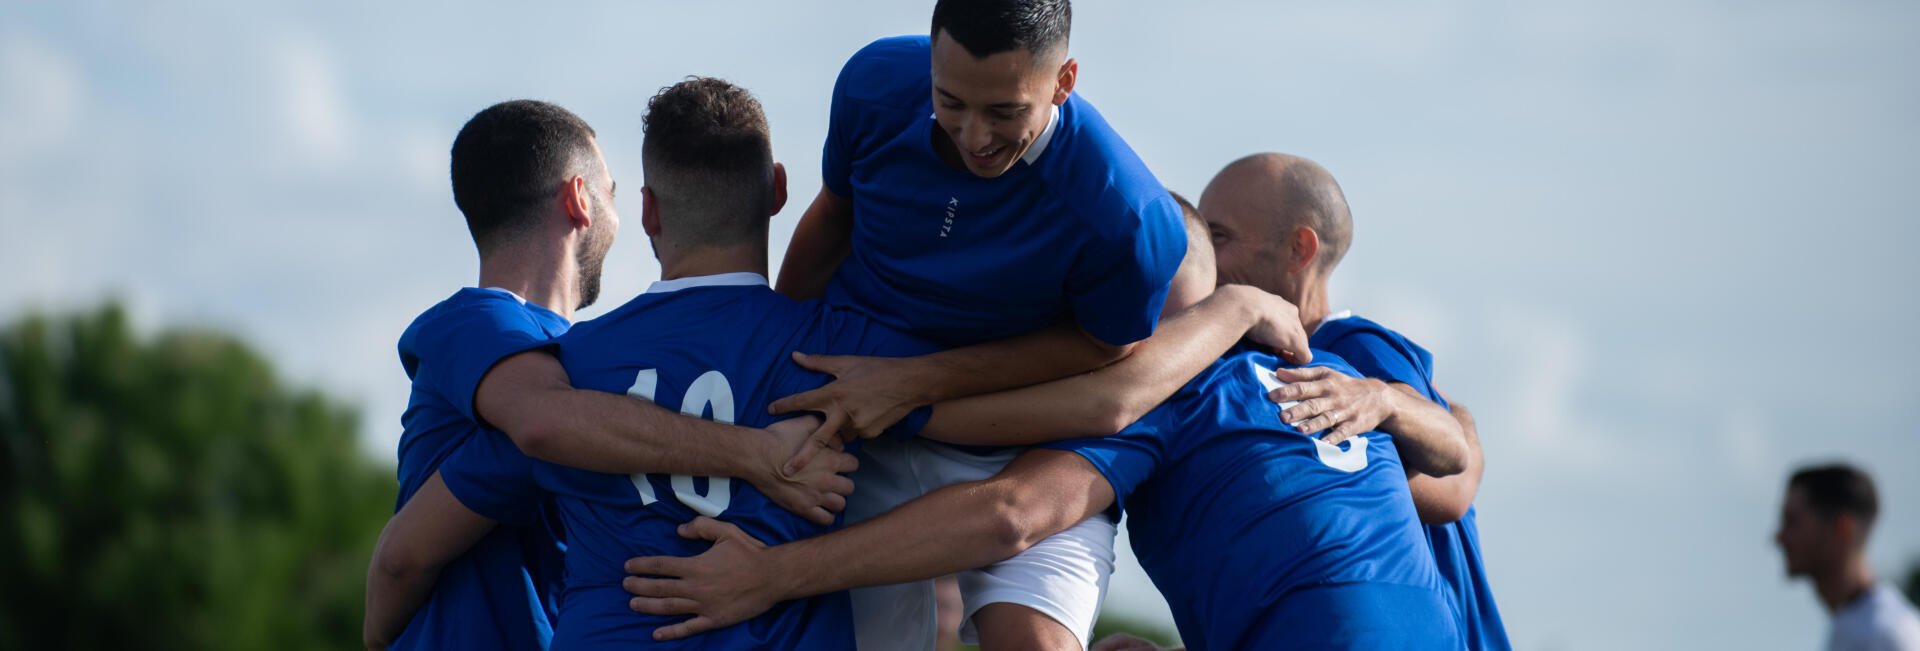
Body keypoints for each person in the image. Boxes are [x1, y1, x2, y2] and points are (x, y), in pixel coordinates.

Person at [367, 80, 1304, 649]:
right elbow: (1045, 406)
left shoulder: (571, 372)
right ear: (776, 192)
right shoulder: (844, 351)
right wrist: (1216, 319)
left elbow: (414, 544)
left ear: (650, 212)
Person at [620, 194, 1467, 650]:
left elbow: (1011, 510)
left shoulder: (1178, 391)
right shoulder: (1330, 375)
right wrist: (1399, 404)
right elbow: (1455, 475)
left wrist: (774, 573)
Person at [766, 2, 1305, 648]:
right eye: (950, 100)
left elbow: (1103, 351)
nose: (972, 135)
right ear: (931, 63)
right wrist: (766, 369)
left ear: (1064, 81)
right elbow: (831, 222)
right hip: (850, 402)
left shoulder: (1128, 219)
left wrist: (913, 385)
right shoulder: (873, 83)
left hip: (1015, 442)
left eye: (1003, 112)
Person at [364, 99, 857, 651]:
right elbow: (540, 427)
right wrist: (761, 454)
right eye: (612, 193)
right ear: (579, 199)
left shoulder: (578, 357)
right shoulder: (483, 324)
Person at [1197, 152, 1510, 649]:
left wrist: (1384, 398)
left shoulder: (1353, 347)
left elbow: (1450, 491)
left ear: (1300, 248)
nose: (1200, 254)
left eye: (1220, 236)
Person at [1776, 463, 1920, 651]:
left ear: (1843, 528)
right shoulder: (1856, 626)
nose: (1779, 537)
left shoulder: (1883, 636)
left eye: (1792, 522)